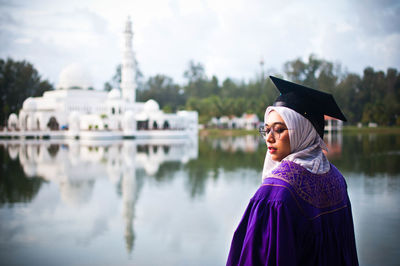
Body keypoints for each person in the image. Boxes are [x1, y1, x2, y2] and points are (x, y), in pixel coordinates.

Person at [226, 76, 358, 266]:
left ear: (304, 131)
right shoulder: (336, 178)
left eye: (279, 130)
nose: (269, 139)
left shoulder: (276, 193)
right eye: (266, 129)